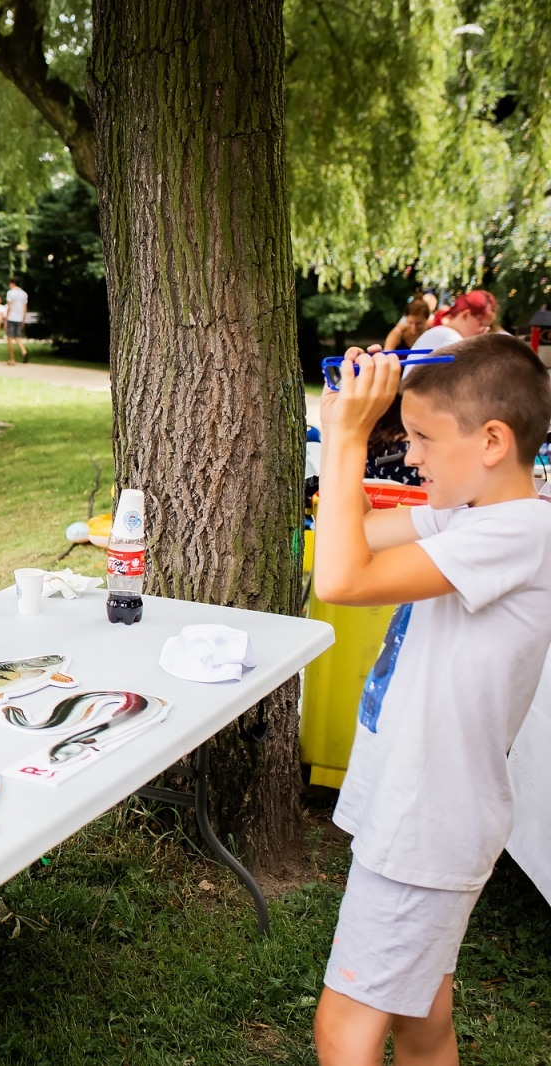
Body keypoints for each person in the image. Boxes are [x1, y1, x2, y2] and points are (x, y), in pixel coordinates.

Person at [312, 335, 551, 1066]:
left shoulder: (523, 530)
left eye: (421, 437)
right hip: (421, 812)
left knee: (343, 1028)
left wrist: (348, 442)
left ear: (492, 441)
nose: (410, 455)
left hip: (425, 823)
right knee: (422, 1021)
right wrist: (341, 423)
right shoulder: (470, 516)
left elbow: (341, 580)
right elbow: (349, 534)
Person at [414, 289, 496, 351]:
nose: (484, 331)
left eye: (487, 327)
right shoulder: (451, 339)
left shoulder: (441, 333)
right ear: (466, 315)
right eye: (481, 324)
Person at [5, 278, 29, 364]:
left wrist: (6, 318)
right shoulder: (24, 294)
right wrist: (23, 319)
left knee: (9, 338)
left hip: (11, 317)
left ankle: (12, 359)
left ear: (12, 283)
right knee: (17, 337)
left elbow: (9, 306)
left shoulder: (10, 293)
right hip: (19, 318)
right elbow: (25, 308)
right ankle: (24, 351)